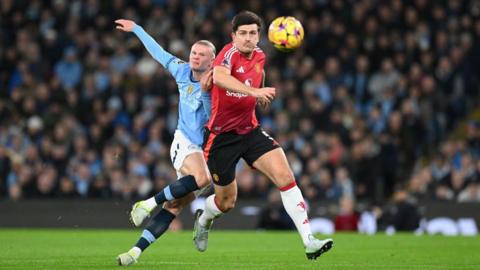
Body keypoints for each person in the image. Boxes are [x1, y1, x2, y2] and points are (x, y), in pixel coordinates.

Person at [192, 11, 333, 260]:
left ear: (260, 35)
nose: (248, 38)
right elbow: (222, 79)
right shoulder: (227, 55)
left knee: (286, 176)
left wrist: (259, 90)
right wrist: (255, 92)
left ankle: (309, 241)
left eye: (253, 33)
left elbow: (258, 73)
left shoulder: (259, 54)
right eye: (243, 33)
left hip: (250, 130)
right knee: (226, 202)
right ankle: (204, 219)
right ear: (233, 35)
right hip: (221, 138)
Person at [114, 19, 216, 266]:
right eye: (193, 52)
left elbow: (212, 115)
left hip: (206, 151)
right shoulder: (181, 70)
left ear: (212, 61)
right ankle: (147, 203)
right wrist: (137, 29)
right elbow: (159, 53)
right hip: (184, 142)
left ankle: (134, 253)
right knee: (204, 179)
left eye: (202, 55)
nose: (195, 57)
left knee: (174, 207)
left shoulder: (217, 85)